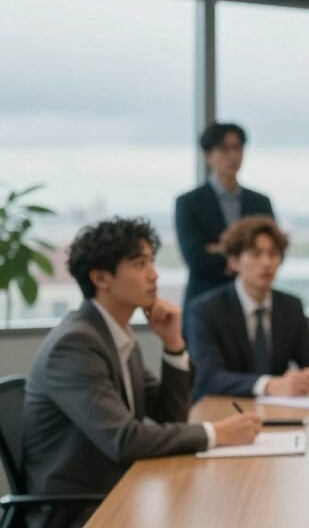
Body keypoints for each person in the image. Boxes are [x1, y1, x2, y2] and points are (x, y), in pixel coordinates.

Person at [21, 218, 261, 528]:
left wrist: (173, 344)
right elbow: (124, 440)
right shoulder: (75, 344)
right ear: (101, 278)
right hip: (79, 511)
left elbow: (169, 417)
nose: (154, 274)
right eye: (139, 263)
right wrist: (217, 433)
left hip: (118, 490)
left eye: (152, 262)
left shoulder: (115, 334)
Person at [187, 216, 309, 401]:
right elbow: (209, 377)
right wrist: (270, 385)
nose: (266, 263)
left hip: (279, 411)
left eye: (273, 254)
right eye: (255, 254)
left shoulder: (291, 306)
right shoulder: (206, 310)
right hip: (226, 409)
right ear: (234, 262)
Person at [175, 122, 274, 311]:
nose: (233, 155)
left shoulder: (260, 202)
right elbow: (197, 260)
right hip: (204, 302)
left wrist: (220, 249)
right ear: (207, 156)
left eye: (237, 148)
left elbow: (273, 250)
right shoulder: (189, 202)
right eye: (224, 149)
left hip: (252, 303)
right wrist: (246, 255)